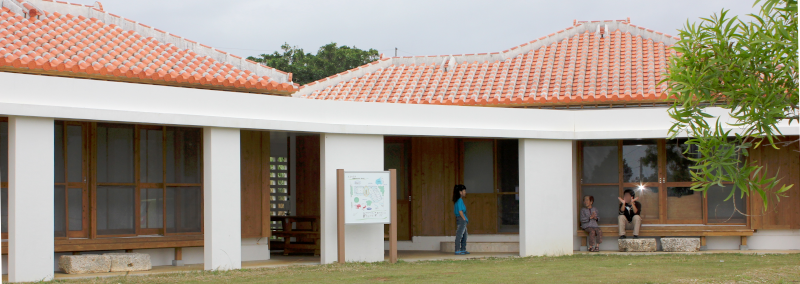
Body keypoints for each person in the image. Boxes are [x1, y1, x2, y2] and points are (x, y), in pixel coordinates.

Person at [452, 184, 469, 255]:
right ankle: (457, 249)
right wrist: (464, 218)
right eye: (464, 191)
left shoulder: (458, 200)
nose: (465, 192)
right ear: (460, 192)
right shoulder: (459, 200)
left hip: (461, 219)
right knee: (460, 234)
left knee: (464, 235)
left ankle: (463, 249)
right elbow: (460, 211)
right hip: (461, 219)